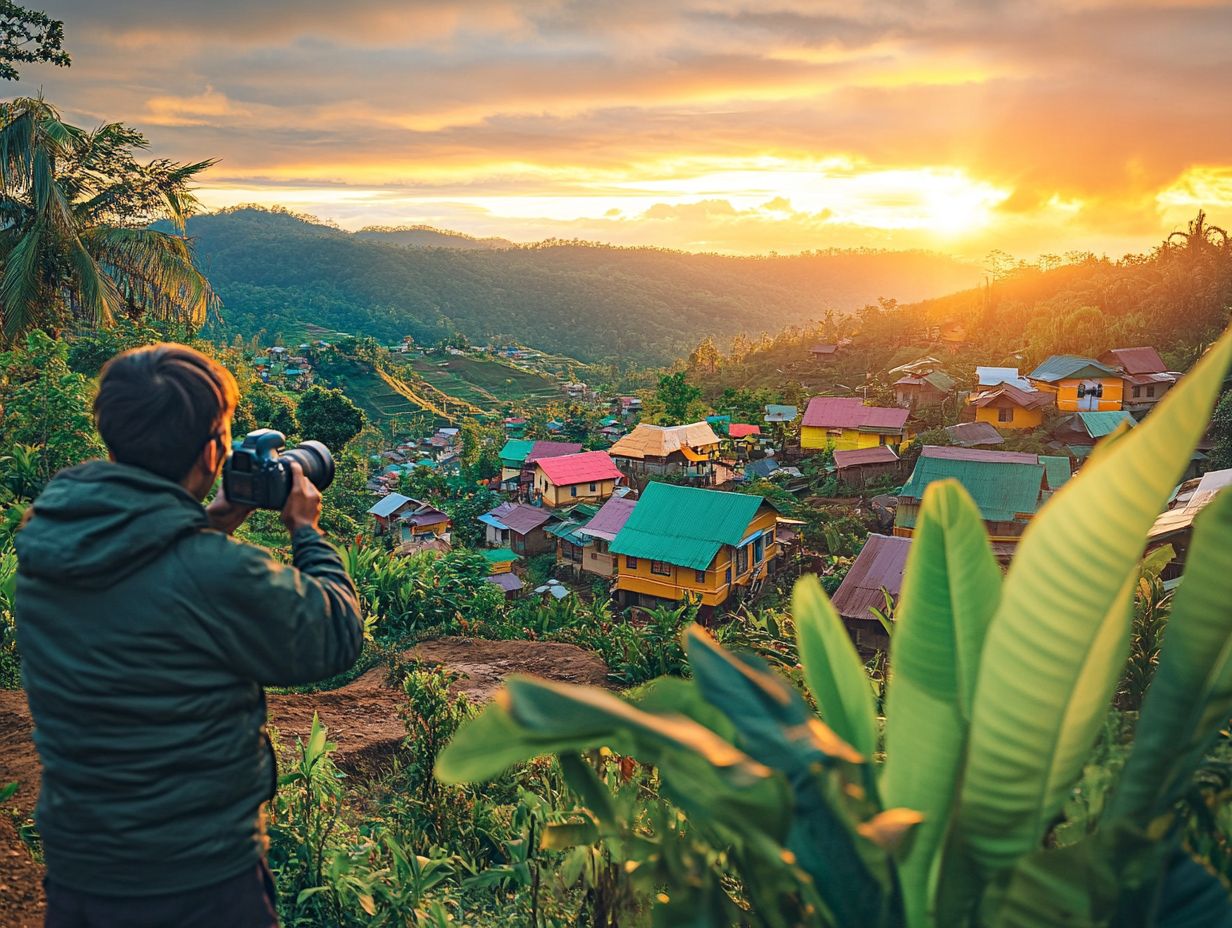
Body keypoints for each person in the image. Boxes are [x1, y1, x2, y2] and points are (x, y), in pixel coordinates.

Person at [14, 343, 364, 927]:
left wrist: (214, 517)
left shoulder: (51, 540)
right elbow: (335, 632)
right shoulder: (213, 573)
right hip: (198, 880)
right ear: (212, 450)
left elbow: (140, 573)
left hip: (81, 870)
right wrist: (307, 530)